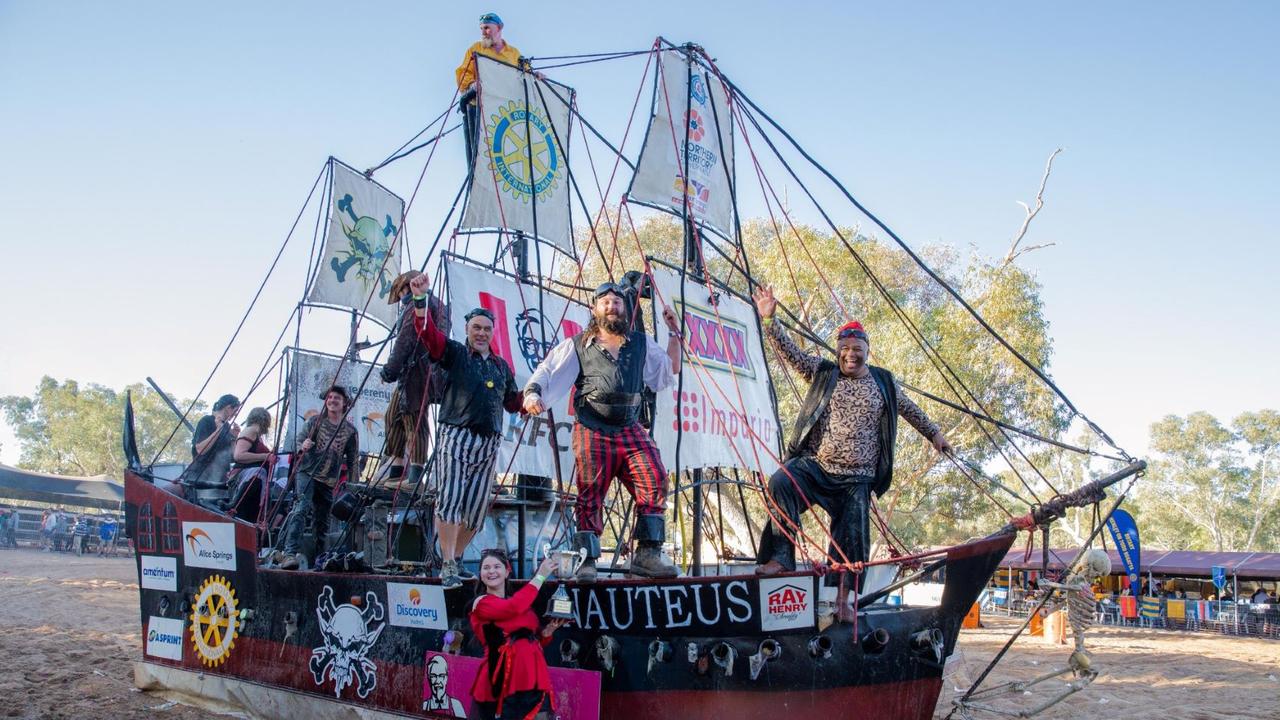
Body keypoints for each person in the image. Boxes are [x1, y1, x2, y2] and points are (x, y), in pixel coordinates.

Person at [750, 286, 952, 614]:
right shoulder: (824, 373)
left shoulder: (883, 383)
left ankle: (844, 601)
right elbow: (791, 353)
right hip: (817, 468)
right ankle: (780, 559)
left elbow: (910, 409)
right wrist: (770, 319)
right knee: (781, 482)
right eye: (844, 348)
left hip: (855, 479)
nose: (850, 354)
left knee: (852, 538)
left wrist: (935, 434)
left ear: (866, 351)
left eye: (857, 349)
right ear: (838, 350)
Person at [524, 281, 683, 581]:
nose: (612, 306)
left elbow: (670, 368)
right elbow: (548, 369)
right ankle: (586, 560)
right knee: (590, 491)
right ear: (594, 309)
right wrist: (533, 394)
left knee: (654, 477)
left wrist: (674, 332)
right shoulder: (579, 344)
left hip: (629, 426)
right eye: (606, 302)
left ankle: (647, 554)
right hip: (592, 426)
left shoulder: (640, 342)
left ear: (625, 309)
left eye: (618, 302)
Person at [409, 273, 523, 589]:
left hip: (489, 441)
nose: (482, 333)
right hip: (456, 434)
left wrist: (535, 397)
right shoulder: (456, 353)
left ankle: (456, 559)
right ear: (468, 330)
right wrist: (420, 300)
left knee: (475, 507)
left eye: (487, 329)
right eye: (477, 328)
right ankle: (445, 561)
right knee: (450, 497)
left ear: (493, 332)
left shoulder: (502, 367)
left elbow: (514, 403)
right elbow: (427, 336)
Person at [469, 549, 566, 720]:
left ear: (507, 571)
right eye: (486, 567)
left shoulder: (520, 601)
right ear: (481, 574)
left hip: (532, 676)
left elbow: (529, 639)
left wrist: (545, 633)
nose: (491, 571)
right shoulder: (481, 603)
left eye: (497, 566)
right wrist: (541, 576)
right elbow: (513, 608)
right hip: (501, 679)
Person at [380, 270, 449, 489]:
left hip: (417, 370)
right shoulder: (435, 304)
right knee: (394, 417)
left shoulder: (417, 305)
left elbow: (406, 339)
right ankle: (397, 470)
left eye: (400, 292)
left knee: (414, 419)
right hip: (417, 370)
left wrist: (389, 370)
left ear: (405, 288)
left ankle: (416, 475)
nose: (400, 298)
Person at [279, 386, 360, 570]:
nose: (332, 400)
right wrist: (303, 445)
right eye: (330, 397)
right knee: (302, 508)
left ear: (344, 403)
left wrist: (353, 486)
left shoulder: (351, 431)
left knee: (322, 521)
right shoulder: (315, 422)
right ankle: (289, 554)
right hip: (307, 471)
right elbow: (299, 440)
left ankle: (319, 560)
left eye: (337, 398)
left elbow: (353, 459)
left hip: (329, 479)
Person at [454, 13, 527, 171]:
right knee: (479, 158)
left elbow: (526, 74)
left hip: (504, 111)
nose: (483, 32)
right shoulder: (476, 49)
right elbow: (463, 73)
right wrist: (472, 84)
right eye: (481, 28)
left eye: (487, 28)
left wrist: (537, 77)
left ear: (499, 28)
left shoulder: (514, 54)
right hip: (478, 109)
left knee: (503, 154)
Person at [227, 407, 275, 523]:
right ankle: (234, 504)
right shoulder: (251, 431)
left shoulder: (257, 435)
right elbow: (238, 456)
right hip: (246, 477)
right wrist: (265, 456)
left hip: (254, 485)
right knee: (259, 473)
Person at [188, 394, 241, 487]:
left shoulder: (227, 426)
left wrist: (234, 437)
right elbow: (200, 449)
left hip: (219, 480)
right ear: (228, 408)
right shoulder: (206, 421)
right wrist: (218, 431)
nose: (236, 414)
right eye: (235, 410)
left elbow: (233, 456)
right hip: (200, 478)